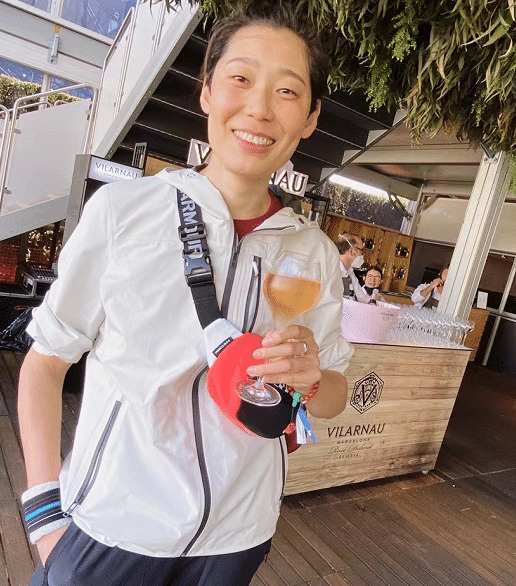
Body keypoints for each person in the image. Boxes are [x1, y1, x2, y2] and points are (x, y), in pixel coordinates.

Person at [18, 7, 354, 586]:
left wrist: (312, 380)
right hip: (113, 529)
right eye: (240, 78)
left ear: (310, 117)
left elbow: (334, 396)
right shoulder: (124, 213)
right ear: (206, 92)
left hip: (238, 538)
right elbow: (46, 361)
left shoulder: (315, 253)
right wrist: (45, 516)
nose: (259, 108)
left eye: (287, 91)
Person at [335, 233, 369, 303]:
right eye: (361, 250)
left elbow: (361, 297)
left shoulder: (350, 272)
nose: (361, 254)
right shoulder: (333, 269)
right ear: (351, 251)